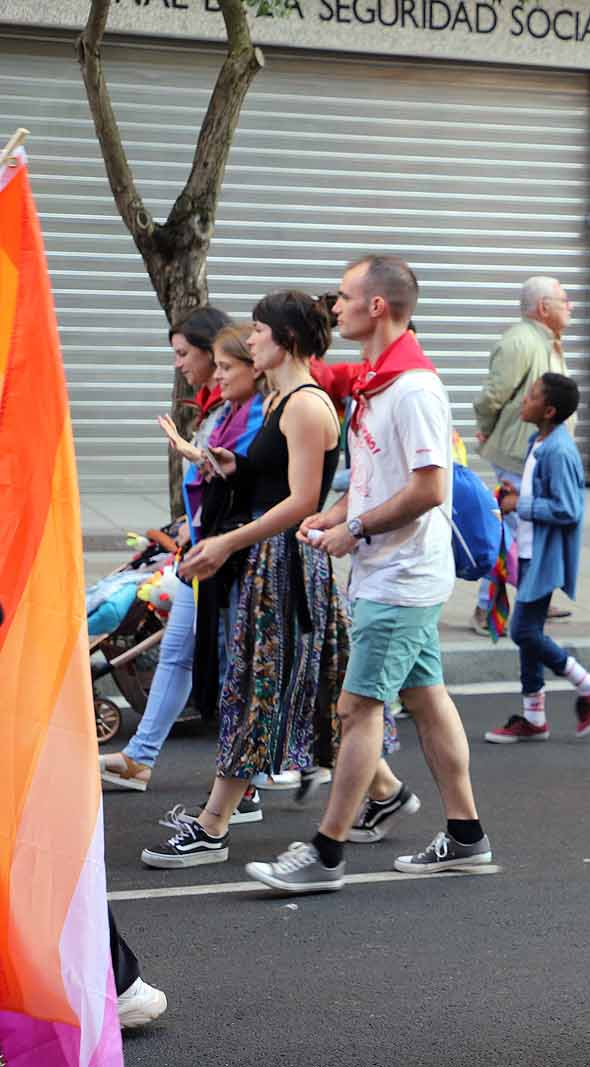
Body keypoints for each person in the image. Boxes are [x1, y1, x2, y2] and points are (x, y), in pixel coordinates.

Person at [246, 255, 492, 892]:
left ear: (376, 306)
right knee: (427, 700)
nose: (336, 307)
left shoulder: (412, 389)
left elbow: (431, 488)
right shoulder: (381, 384)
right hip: (390, 568)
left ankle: (325, 855)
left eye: (347, 296)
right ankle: (467, 837)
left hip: (401, 577)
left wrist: (352, 531)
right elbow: (372, 480)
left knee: (357, 710)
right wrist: (333, 515)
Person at [142, 291, 345, 870]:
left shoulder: (306, 405)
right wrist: (223, 463)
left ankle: (214, 825)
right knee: (300, 692)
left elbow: (303, 500)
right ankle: (380, 792)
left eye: (258, 332)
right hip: (267, 561)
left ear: (285, 342)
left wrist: (230, 540)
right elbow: (270, 480)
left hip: (283, 564)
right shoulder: (283, 399)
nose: (249, 340)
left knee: (261, 689)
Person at [101, 309, 262, 793]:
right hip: (205, 552)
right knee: (179, 655)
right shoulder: (222, 408)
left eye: (184, 355)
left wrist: (198, 458)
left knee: (239, 666)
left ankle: (260, 777)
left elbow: (249, 481)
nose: (181, 366)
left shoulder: (251, 409)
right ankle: (141, 757)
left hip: (231, 556)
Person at [485, 372, 590, 743]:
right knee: (529, 634)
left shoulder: (559, 450)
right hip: (527, 552)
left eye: (533, 396)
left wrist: (518, 503)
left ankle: (589, 684)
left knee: (522, 630)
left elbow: (568, 508)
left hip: (543, 557)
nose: (525, 399)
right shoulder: (537, 442)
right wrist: (517, 492)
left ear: (549, 410)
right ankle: (533, 716)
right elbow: (541, 492)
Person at [471, 275, 573, 635]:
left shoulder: (545, 340)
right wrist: (485, 425)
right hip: (518, 453)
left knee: (527, 530)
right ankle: (487, 607)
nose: (570, 306)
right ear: (544, 308)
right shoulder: (520, 342)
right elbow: (493, 395)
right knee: (512, 531)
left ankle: (533, 597)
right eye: (564, 300)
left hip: (536, 453)